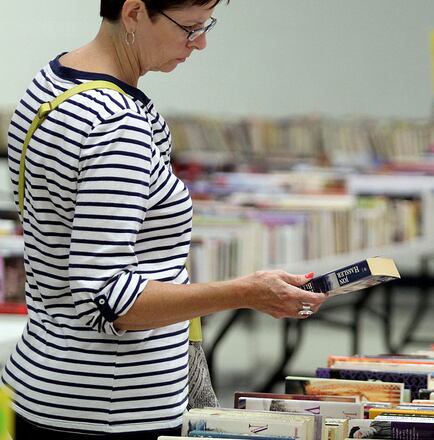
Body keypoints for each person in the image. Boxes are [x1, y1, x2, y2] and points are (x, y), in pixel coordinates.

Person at [3, 1, 327, 438]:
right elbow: (109, 299)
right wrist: (247, 292)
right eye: (189, 28)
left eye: (206, 26)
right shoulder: (116, 125)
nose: (201, 43)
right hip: (111, 407)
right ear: (134, 12)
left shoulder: (52, 83)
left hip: (49, 385)